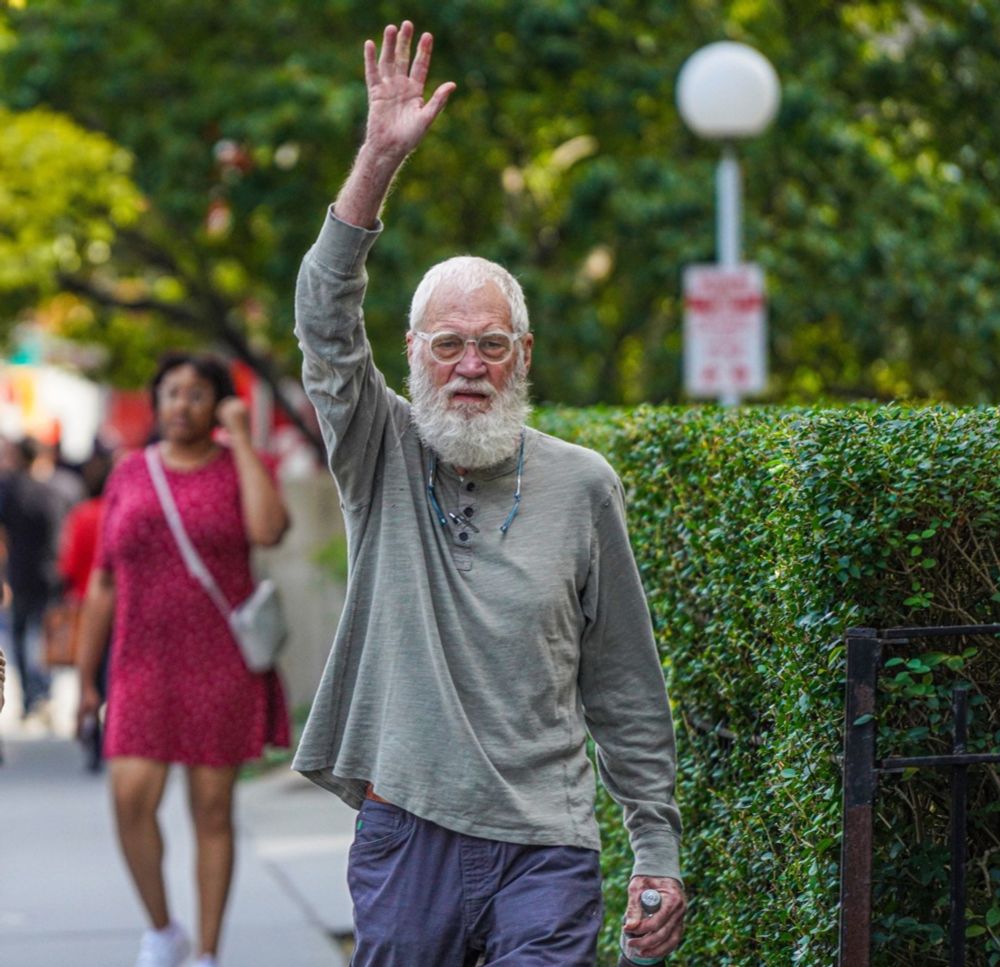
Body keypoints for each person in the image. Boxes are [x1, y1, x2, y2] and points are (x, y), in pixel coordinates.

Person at [292, 21, 685, 965]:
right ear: (417, 354)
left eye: (492, 343)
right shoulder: (377, 447)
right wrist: (378, 161)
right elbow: (323, 314)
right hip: (406, 832)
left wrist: (656, 847)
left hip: (546, 844)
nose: (470, 364)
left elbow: (624, 679)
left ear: (522, 356)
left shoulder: (584, 485)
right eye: (448, 344)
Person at [76, 353, 291, 967]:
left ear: (219, 405)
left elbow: (270, 530)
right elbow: (103, 581)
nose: (182, 406)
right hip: (140, 662)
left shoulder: (237, 467)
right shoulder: (130, 473)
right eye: (171, 393)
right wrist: (88, 681)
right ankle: (162, 928)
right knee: (129, 799)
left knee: (212, 811)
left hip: (219, 664)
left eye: (198, 395)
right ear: (155, 402)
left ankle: (207, 953)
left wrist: (243, 439)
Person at [59, 444, 114, 771]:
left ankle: (94, 742)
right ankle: (109, 738)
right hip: (122, 609)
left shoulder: (82, 516)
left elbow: (69, 564)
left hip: (86, 607)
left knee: (90, 674)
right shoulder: (120, 513)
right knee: (111, 675)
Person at [0, 437, 62, 717]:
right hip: (51, 572)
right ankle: (43, 692)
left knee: (22, 634)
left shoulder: (9, 490)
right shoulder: (56, 489)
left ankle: (31, 695)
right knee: (43, 634)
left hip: (19, 573)